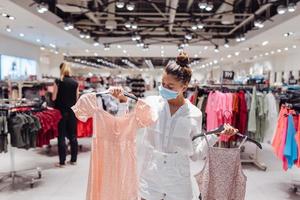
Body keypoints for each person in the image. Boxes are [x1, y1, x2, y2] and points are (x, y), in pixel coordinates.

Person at [110, 52, 238, 200]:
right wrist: (121, 102)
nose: (164, 88)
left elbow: (196, 154)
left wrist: (216, 134)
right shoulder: (151, 104)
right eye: (163, 84)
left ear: (184, 87)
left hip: (178, 180)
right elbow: (123, 128)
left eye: (170, 86)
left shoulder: (194, 114)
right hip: (151, 177)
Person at [52, 63, 79, 167]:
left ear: (61, 70)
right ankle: (73, 160)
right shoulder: (75, 83)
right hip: (72, 111)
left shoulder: (58, 81)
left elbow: (54, 98)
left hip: (60, 112)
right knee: (73, 136)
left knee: (61, 137)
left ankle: (62, 162)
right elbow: (76, 99)